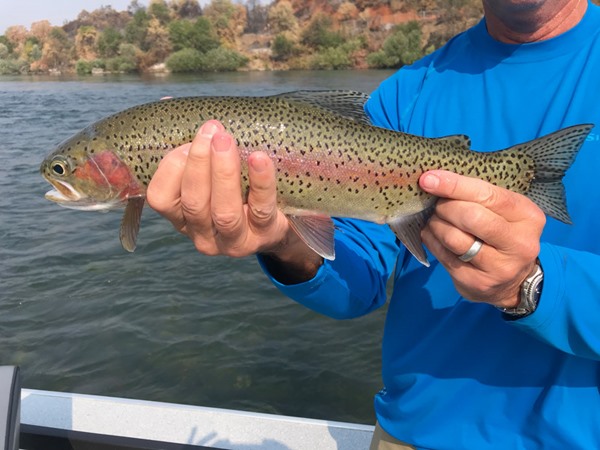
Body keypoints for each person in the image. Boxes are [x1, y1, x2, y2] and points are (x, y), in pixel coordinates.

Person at [147, 0, 600, 447]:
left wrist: (531, 284)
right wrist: (283, 241)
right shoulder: (406, 93)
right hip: (409, 436)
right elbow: (357, 281)